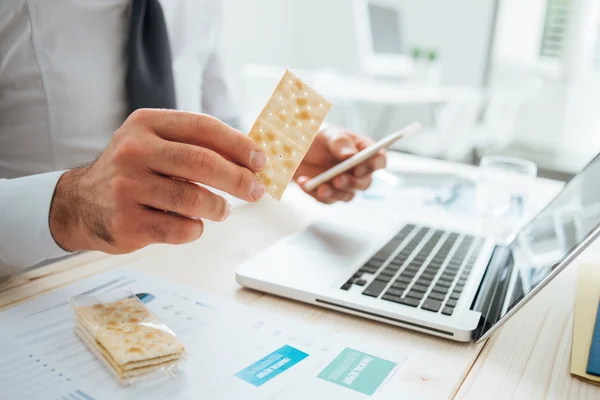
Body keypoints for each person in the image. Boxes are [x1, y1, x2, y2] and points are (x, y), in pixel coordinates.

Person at [0, 0, 386, 276]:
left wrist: (279, 153)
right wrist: (68, 207)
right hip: (41, 283)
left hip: (193, 268)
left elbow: (220, 121)